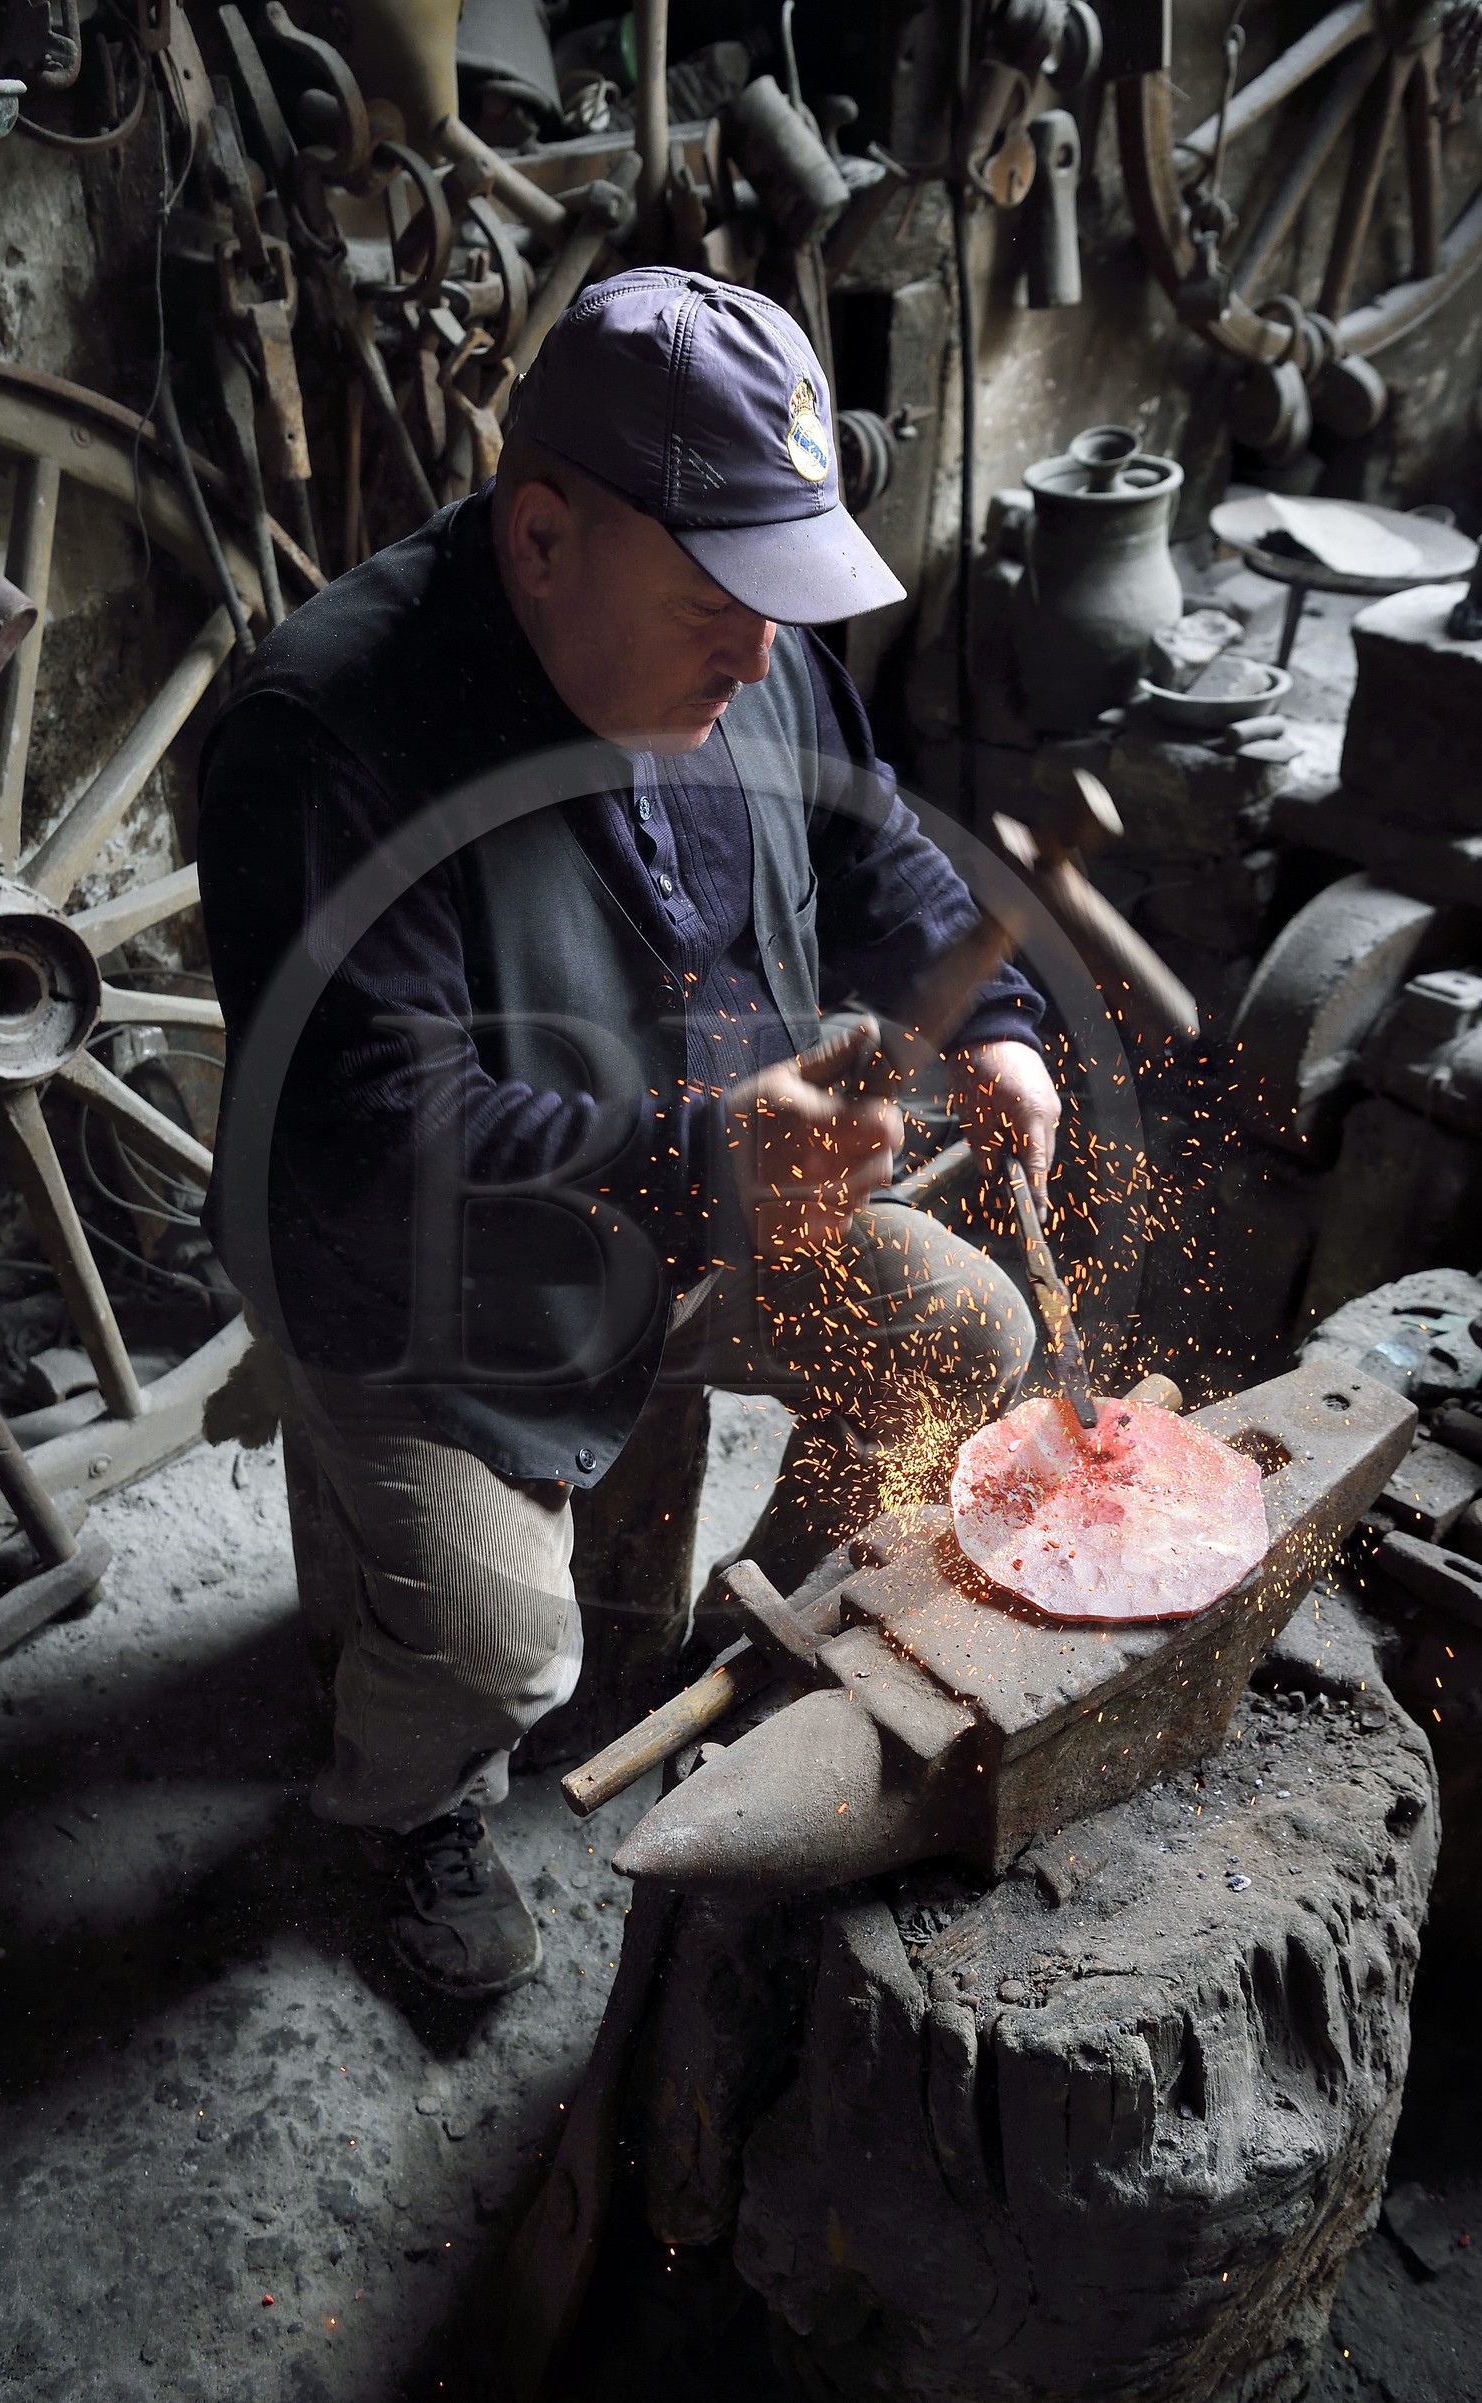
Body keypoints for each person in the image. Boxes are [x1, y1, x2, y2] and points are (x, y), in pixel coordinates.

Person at [197, 268, 1060, 2000]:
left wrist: (1005, 1028)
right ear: (539, 538)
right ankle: (405, 1807)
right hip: (429, 1299)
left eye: (783, 599)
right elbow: (377, 1138)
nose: (762, 654)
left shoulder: (753, 651)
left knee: (973, 1327)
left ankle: (765, 1640)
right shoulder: (324, 733)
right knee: (498, 1658)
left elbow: (881, 855)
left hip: (687, 1211)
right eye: (720, 602)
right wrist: (703, 1158)